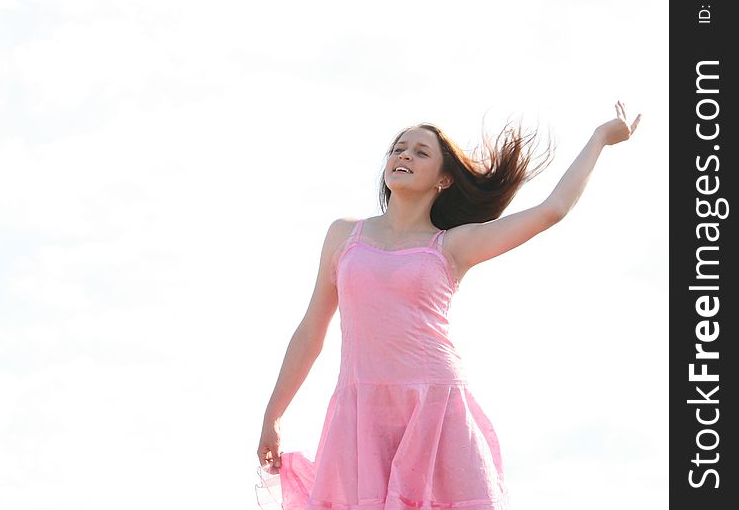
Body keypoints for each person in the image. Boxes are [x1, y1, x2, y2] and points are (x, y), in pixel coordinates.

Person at [254, 101, 642, 510]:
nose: (403, 154)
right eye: (399, 148)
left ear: (443, 179)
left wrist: (601, 138)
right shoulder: (344, 236)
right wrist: (273, 414)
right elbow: (312, 329)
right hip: (360, 416)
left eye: (421, 152)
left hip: (435, 408)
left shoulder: (452, 245)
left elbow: (552, 210)